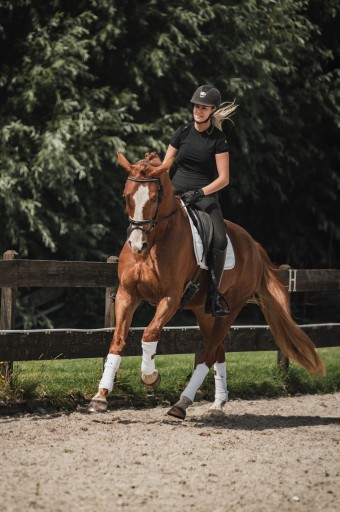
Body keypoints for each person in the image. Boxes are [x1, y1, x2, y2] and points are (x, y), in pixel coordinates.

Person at [163, 84, 237, 316]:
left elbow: (224, 178)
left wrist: (200, 193)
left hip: (203, 196)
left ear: (213, 110)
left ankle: (213, 296)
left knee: (219, 238)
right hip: (176, 192)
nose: (198, 110)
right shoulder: (182, 131)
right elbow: (166, 166)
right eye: (196, 106)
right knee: (144, 220)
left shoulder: (218, 139)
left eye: (204, 107)